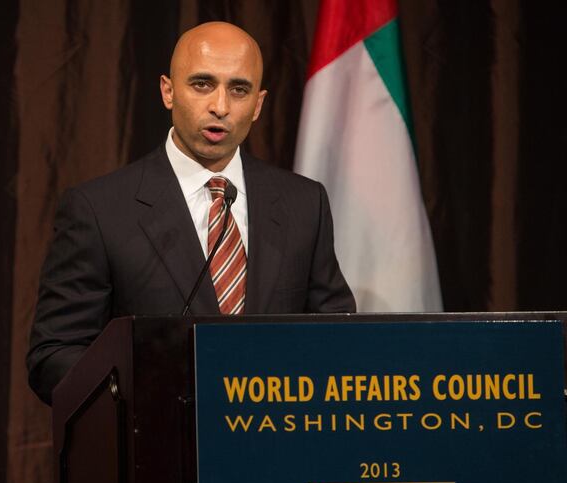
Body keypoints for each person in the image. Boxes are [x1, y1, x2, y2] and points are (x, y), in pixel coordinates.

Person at [27, 22, 355, 405]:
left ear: (259, 105)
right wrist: (152, 389)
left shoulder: (304, 203)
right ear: (168, 91)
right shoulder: (99, 210)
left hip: (278, 449)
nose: (220, 106)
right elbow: (54, 355)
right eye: (202, 84)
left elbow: (338, 337)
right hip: (158, 448)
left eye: (239, 89)